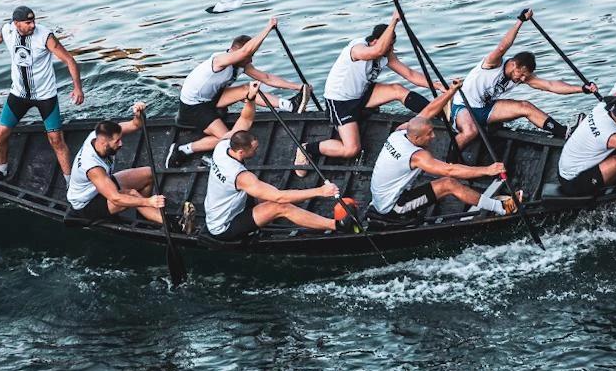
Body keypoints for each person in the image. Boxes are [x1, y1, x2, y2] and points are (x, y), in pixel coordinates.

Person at [293, 12, 443, 176]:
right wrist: (394, 20)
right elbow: (376, 52)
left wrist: (437, 86)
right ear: (376, 41)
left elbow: (410, 74)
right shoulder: (358, 48)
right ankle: (306, 148)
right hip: (341, 102)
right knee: (351, 149)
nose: (390, 50)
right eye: (389, 45)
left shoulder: (385, 53)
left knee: (398, 89)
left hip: (362, 94)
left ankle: (438, 113)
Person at [205, 84, 354, 241]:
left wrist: (251, 98)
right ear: (241, 152)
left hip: (231, 205)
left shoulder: (223, 146)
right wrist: (320, 191)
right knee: (281, 207)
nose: (256, 151)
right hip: (225, 225)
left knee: (268, 195)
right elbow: (279, 197)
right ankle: (337, 225)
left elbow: (245, 119)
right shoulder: (241, 177)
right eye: (253, 149)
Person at [0, 5, 84, 183]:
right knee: (0, 135)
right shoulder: (7, 30)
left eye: (33, 21)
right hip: (18, 94)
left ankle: (69, 181)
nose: (33, 25)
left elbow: (69, 60)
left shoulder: (45, 36)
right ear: (16, 23)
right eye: (28, 22)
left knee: (56, 140)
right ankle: (2, 171)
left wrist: (77, 88)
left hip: (45, 96)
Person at [166, 17, 308, 167]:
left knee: (248, 88)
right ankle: (182, 150)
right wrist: (268, 28)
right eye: (248, 56)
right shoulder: (219, 61)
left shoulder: (242, 63)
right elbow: (246, 51)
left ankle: (290, 106)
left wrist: (299, 87)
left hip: (212, 98)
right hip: (193, 107)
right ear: (235, 52)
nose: (250, 60)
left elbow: (267, 78)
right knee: (230, 140)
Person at [368, 81, 521, 221]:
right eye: (429, 134)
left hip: (381, 198)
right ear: (416, 137)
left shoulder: (399, 132)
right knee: (449, 184)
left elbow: (429, 111)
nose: (434, 136)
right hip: (392, 207)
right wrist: (487, 170)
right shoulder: (417, 156)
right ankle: (502, 208)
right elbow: (450, 169)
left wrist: (451, 91)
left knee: (447, 183)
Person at [451, 8, 596, 149]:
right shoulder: (493, 63)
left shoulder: (523, 76)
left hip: (486, 108)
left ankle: (565, 133)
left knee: (525, 107)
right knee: (470, 132)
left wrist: (582, 88)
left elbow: (550, 85)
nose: (521, 78)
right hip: (464, 106)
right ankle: (449, 163)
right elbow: (502, 47)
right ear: (513, 64)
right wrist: (520, 21)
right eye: (520, 74)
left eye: (525, 76)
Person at [66, 102, 169, 225]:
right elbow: (116, 198)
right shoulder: (93, 168)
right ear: (104, 143)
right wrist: (149, 202)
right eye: (117, 141)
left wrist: (138, 115)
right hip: (86, 205)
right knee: (133, 194)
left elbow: (135, 125)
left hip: (101, 186)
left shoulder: (101, 135)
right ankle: (170, 224)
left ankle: (145, 217)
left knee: (148, 174)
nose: (121, 143)